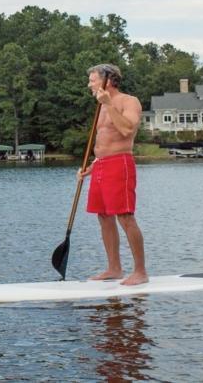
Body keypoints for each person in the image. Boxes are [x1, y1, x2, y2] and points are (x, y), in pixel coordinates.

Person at [78, 64, 148, 286]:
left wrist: (109, 105)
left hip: (121, 164)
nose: (89, 84)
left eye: (92, 80)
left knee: (125, 216)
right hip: (101, 165)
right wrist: (92, 166)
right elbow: (104, 139)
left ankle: (140, 272)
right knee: (103, 216)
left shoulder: (128, 101)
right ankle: (114, 268)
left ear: (107, 80)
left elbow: (127, 129)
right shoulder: (99, 107)